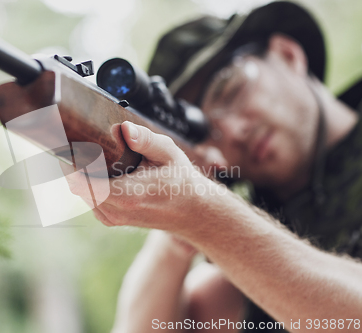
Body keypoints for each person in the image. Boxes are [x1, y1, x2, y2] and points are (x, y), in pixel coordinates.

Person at [67, 1, 362, 332]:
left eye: (231, 90)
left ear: (288, 54)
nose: (233, 132)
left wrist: (206, 216)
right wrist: (178, 230)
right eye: (207, 133)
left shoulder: (243, 243)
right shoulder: (242, 262)